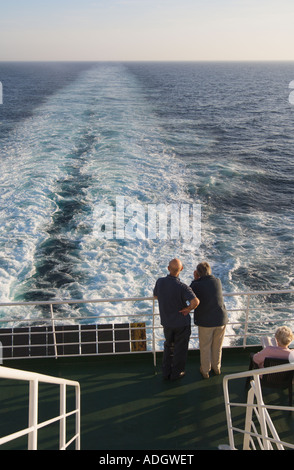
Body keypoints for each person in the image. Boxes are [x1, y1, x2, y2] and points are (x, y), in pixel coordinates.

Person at [153, 258, 200, 381]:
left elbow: (156, 295)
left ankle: (166, 372)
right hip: (181, 323)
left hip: (167, 322)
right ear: (181, 270)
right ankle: (176, 373)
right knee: (180, 348)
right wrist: (188, 309)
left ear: (168, 269)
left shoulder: (160, 282)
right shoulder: (183, 287)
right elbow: (195, 302)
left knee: (168, 346)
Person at [190, 261, 228, 379]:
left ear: (198, 273)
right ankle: (217, 368)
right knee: (217, 346)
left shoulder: (196, 285)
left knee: (206, 346)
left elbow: (190, 293)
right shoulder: (217, 281)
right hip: (221, 319)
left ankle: (205, 371)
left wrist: (195, 279)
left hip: (206, 322)